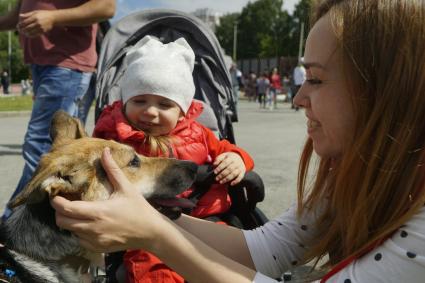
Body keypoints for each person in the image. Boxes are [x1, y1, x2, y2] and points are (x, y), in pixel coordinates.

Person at [52, 0, 425, 282]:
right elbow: (270, 249)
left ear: (383, 91)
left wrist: (156, 235)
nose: (297, 99)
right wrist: (153, 217)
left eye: (315, 79)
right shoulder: (353, 176)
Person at [92, 35, 254, 282]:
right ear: (124, 101)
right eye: (139, 100)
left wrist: (236, 159)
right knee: (151, 266)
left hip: (204, 218)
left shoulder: (199, 134)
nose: (149, 111)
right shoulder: (115, 136)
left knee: (228, 259)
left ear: (182, 112)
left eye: (164, 104)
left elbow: (226, 149)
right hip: (144, 223)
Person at [0, 0, 116, 220]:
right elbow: (17, 16)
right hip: (42, 64)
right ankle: (63, 224)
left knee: (42, 149)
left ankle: (10, 227)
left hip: (65, 65)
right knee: (65, 150)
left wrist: (53, 17)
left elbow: (105, 6)